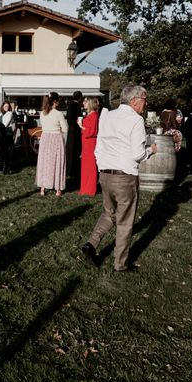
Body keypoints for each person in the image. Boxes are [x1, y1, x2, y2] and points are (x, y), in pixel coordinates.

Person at [81, 85, 157, 272]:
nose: (145, 104)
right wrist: (151, 150)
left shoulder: (107, 116)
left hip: (105, 174)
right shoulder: (136, 120)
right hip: (125, 177)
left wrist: (101, 167)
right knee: (124, 222)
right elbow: (138, 154)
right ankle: (120, 265)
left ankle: (91, 244)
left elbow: (98, 147)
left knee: (109, 213)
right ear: (134, 101)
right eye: (144, 100)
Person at [36, 92, 68, 197]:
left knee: (45, 162)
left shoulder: (42, 113)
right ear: (55, 101)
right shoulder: (58, 114)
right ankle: (58, 188)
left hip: (45, 138)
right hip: (56, 138)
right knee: (57, 162)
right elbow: (65, 129)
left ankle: (43, 187)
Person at [78, 96, 100, 196]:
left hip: (91, 143)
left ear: (90, 103)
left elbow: (92, 131)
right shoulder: (90, 115)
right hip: (86, 143)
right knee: (85, 166)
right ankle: (85, 188)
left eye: (86, 102)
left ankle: (90, 189)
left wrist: (81, 126)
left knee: (90, 167)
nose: (84, 103)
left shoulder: (94, 115)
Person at [66, 90, 83, 187]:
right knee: (75, 151)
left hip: (71, 131)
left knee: (71, 151)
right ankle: (73, 171)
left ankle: (70, 170)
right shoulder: (75, 106)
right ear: (79, 98)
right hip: (75, 131)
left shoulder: (70, 105)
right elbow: (75, 119)